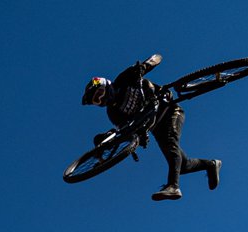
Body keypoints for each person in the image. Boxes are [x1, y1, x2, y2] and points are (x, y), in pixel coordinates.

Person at [82, 53, 220, 202]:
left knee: (170, 143)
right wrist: (134, 139)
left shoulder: (123, 79)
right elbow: (127, 130)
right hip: (156, 126)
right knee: (183, 165)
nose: (102, 99)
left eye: (100, 94)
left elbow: (157, 57)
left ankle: (173, 186)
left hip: (169, 110)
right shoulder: (113, 113)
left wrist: (145, 66)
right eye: (97, 101)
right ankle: (212, 164)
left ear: (106, 84)